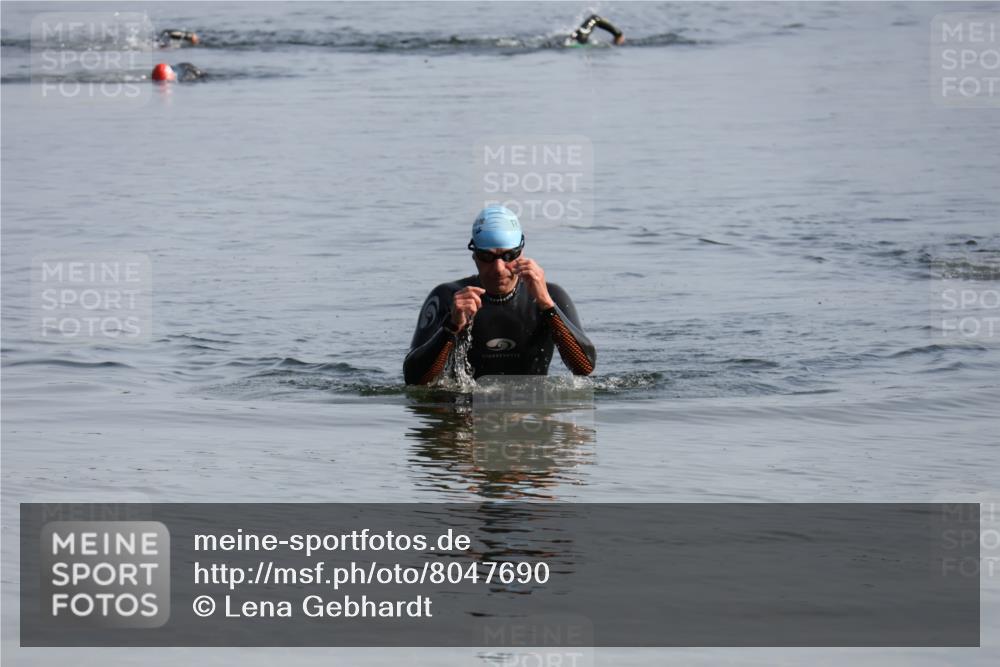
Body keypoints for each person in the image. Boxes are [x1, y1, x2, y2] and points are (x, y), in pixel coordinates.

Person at [404, 206, 596, 385]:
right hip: (467, 411)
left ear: (521, 252)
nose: (498, 268)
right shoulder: (448, 298)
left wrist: (547, 306)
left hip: (529, 412)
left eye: (508, 256)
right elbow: (414, 380)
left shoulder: (551, 295)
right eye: (487, 257)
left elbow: (584, 368)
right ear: (474, 255)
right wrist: (451, 327)